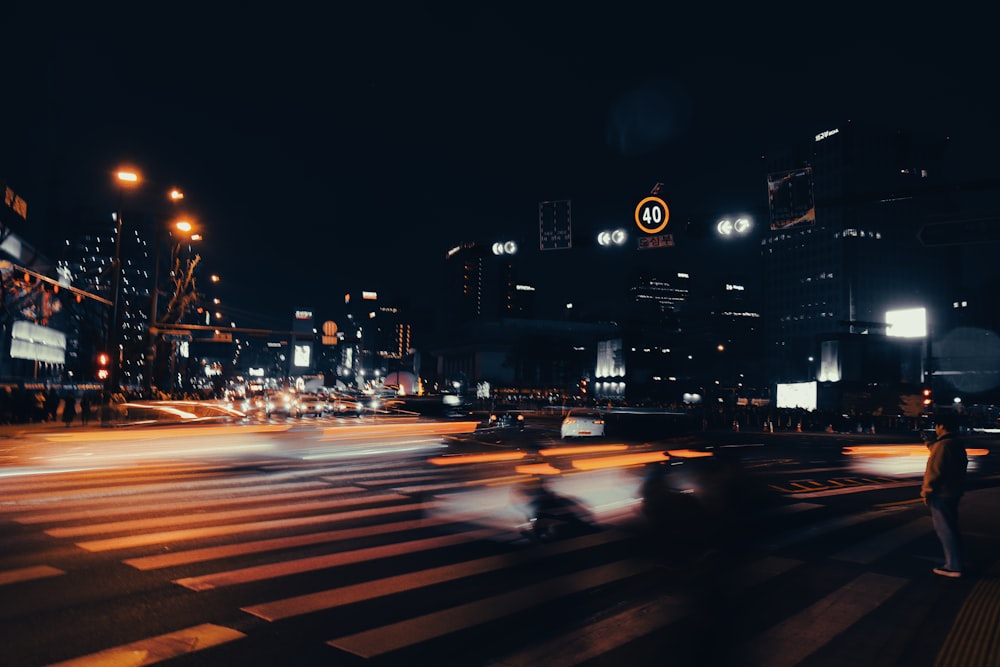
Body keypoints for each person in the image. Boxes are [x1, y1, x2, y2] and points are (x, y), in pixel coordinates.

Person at [920, 411, 968, 578]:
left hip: (942, 494)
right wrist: (930, 443)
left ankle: (953, 566)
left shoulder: (943, 446)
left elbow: (934, 471)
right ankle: (957, 562)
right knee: (951, 528)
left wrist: (926, 492)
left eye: (937, 426)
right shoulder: (956, 443)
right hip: (954, 492)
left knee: (945, 530)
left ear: (941, 426)